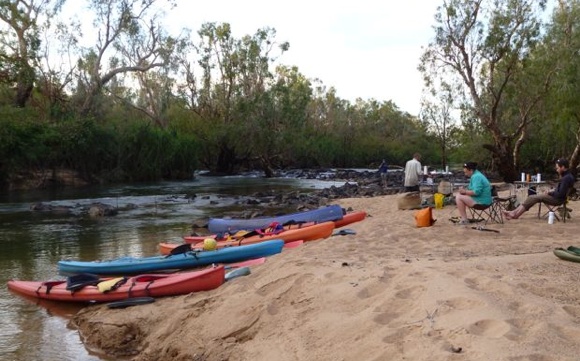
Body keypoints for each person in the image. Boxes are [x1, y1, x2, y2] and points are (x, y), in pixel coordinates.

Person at [503, 158, 575, 220]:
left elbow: (560, 194)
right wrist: (551, 191)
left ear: (562, 167)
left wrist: (550, 193)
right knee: (532, 197)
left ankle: (515, 214)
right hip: (558, 198)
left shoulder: (566, 178)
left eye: (557, 168)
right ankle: (514, 213)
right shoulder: (568, 176)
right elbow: (561, 191)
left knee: (532, 197)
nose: (556, 170)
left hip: (557, 200)